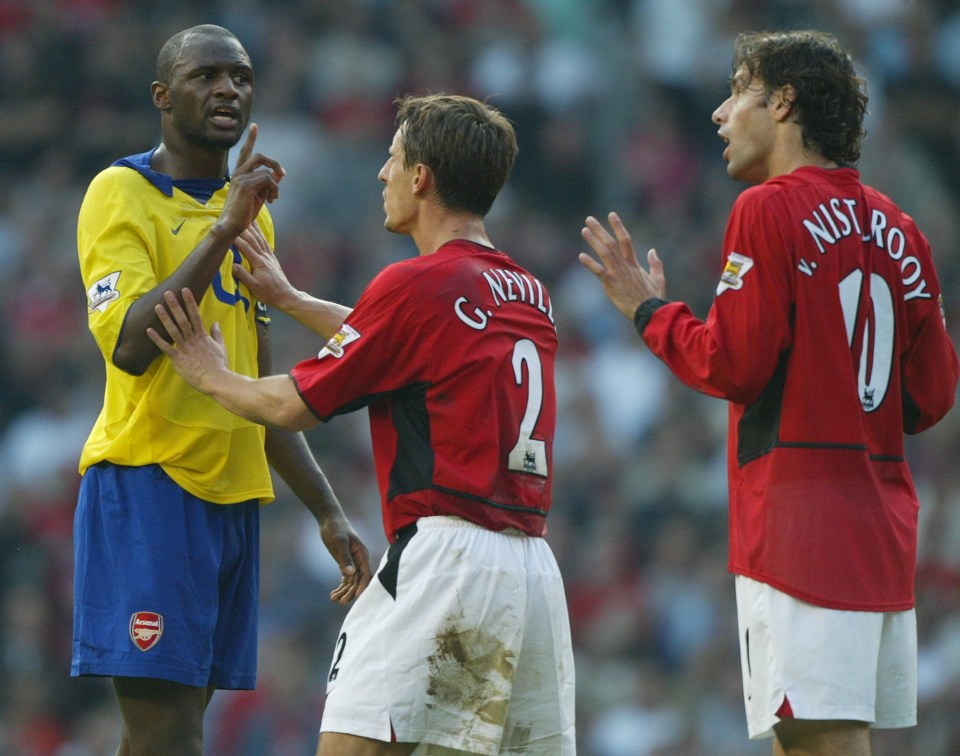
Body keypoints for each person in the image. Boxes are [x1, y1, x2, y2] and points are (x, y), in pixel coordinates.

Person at [146, 93, 576, 755]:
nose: (382, 173)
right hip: (533, 574)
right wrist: (290, 299)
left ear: (421, 178)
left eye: (392, 159)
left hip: (444, 559)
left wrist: (208, 372)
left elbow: (292, 406)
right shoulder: (528, 292)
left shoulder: (417, 282)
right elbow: (408, 342)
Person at [579, 30, 958, 756]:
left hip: (798, 520)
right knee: (815, 739)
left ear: (782, 102)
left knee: (822, 741)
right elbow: (933, 395)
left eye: (736, 92)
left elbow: (733, 365)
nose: (720, 114)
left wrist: (648, 311)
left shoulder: (767, 209)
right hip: (881, 520)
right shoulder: (902, 227)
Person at [72, 24, 371, 756]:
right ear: (161, 95)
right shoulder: (121, 192)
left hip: (232, 502)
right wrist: (221, 229)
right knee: (166, 732)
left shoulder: (250, 213)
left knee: (173, 730)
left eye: (239, 76)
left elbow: (259, 384)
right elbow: (135, 346)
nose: (227, 90)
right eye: (205, 76)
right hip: (150, 487)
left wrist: (328, 514)